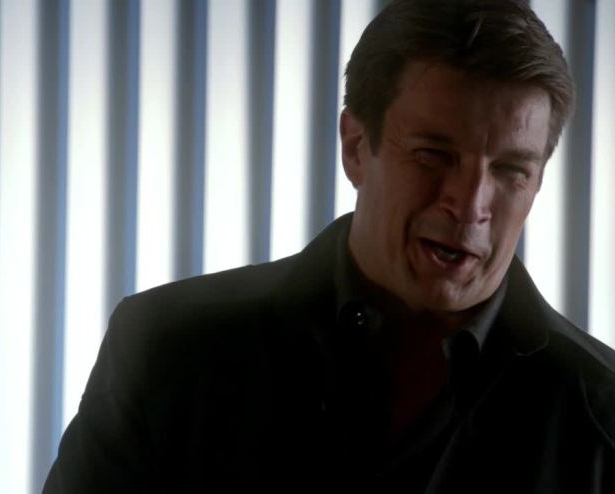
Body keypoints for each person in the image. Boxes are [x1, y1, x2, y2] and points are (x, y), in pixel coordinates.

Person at [44, 0, 615, 492]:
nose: (469, 206)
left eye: (511, 170)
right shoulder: (167, 349)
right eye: (433, 155)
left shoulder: (604, 414)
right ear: (355, 147)